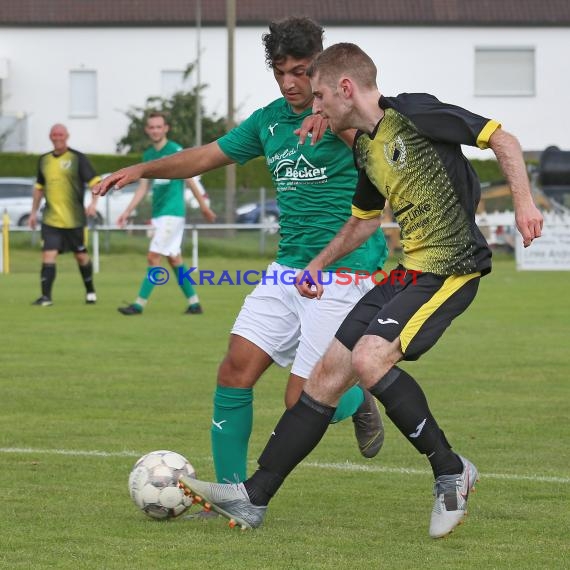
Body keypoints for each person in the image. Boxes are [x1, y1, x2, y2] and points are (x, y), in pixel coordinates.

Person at [176, 43, 544, 538]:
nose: (317, 106)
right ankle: (253, 498)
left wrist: (524, 205)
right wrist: (316, 265)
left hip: (452, 269)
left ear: (346, 88)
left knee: (370, 362)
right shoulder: (365, 148)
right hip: (408, 270)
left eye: (322, 94)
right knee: (327, 375)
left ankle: (451, 470)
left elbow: (504, 141)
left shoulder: (415, 113)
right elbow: (362, 223)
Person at [93, 19, 389, 490]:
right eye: (280, 71)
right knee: (234, 371)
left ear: (322, 67)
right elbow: (205, 156)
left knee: (301, 400)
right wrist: (141, 169)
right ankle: (232, 493)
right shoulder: (268, 120)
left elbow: (390, 152)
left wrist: (339, 119)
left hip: (344, 274)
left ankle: (355, 399)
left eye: (302, 71)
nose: (290, 82)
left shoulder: (349, 115)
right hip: (286, 271)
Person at [116, 111, 216, 316]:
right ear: (147, 130)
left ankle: (138, 305)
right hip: (159, 214)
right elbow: (143, 188)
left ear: (166, 128)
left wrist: (204, 207)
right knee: (174, 259)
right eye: (151, 127)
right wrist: (127, 211)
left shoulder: (175, 151)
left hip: (173, 213)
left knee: (153, 257)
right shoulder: (148, 156)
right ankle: (195, 304)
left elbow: (190, 179)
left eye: (158, 126)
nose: (155, 130)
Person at [29, 123, 101, 306]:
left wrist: (93, 204)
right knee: (48, 255)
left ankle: (90, 291)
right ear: (50, 137)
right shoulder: (44, 160)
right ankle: (46, 297)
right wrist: (32, 213)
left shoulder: (78, 158)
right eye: (54, 134)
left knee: (81, 256)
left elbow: (95, 182)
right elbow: (39, 188)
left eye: (60, 134)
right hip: (51, 219)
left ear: (67, 136)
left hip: (74, 219)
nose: (57, 137)